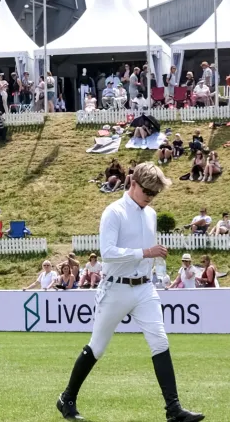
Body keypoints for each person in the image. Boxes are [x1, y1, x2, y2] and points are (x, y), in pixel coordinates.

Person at [56, 163, 203, 422]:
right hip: (115, 287)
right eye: (147, 191)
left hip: (144, 287)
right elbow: (108, 253)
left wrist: (153, 266)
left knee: (160, 341)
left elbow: (146, 249)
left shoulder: (151, 214)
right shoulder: (114, 212)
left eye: (155, 193)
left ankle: (174, 409)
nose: (150, 197)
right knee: (97, 347)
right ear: (133, 182)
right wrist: (146, 253)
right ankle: (67, 397)